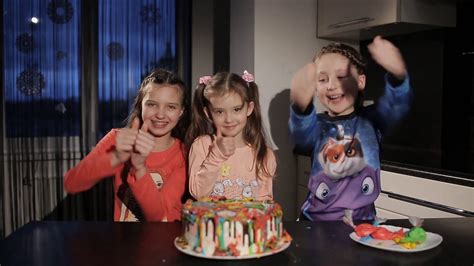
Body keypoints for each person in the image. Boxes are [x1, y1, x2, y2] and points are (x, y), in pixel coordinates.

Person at [289, 36, 412, 221]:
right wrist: (301, 107)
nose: (331, 86)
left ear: (360, 82)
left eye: (341, 76)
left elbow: (396, 104)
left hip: (363, 223)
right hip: (316, 223)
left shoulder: (373, 119)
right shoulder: (317, 125)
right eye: (322, 79)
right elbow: (301, 132)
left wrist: (398, 77)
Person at [64, 69, 190, 222]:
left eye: (171, 107)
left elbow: (157, 217)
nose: (160, 114)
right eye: (152, 104)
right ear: (141, 105)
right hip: (123, 241)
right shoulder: (117, 139)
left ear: (181, 111)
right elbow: (72, 182)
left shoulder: (185, 155)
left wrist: (139, 168)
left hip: (164, 240)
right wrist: (116, 157)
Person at [185, 71, 276, 201]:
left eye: (236, 109)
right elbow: (198, 193)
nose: (228, 119)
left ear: (249, 108)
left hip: (247, 221)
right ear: (209, 114)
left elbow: (264, 202)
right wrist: (216, 155)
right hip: (211, 221)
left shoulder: (264, 154)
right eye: (220, 111)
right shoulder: (202, 145)